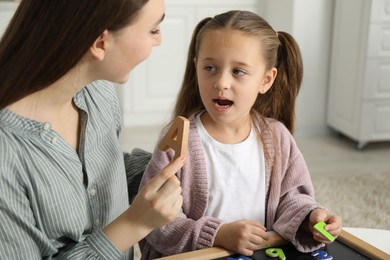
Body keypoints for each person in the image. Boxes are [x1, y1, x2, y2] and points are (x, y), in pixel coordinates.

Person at [138, 10, 342, 258]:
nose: (221, 82)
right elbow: (156, 224)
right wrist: (219, 234)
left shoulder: (278, 138)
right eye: (210, 67)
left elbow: (292, 200)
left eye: (238, 71)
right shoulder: (177, 140)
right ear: (196, 68)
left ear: (266, 80)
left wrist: (311, 217)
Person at [0, 0, 185, 259]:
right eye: (153, 30)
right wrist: (135, 224)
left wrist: (168, 166)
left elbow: (100, 173)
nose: (159, 40)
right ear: (101, 43)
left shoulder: (97, 92)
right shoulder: (6, 154)